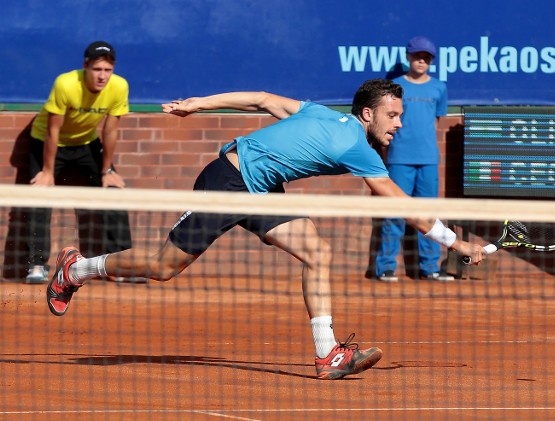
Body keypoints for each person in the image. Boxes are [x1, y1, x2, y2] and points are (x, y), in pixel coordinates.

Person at [45, 79, 485, 380]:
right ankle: (76, 269)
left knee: (317, 251)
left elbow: (260, 99)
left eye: (401, 116)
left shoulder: (320, 113)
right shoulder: (358, 147)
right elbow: (403, 205)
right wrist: (456, 241)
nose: (399, 124)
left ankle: (327, 353)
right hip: (229, 181)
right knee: (163, 268)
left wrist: (200, 103)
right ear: (368, 114)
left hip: (264, 189)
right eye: (393, 115)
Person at [25, 41, 133, 284]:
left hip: (86, 143)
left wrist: (107, 170)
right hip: (47, 141)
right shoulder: (65, 84)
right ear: (86, 66)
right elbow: (53, 131)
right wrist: (48, 172)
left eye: (107, 69)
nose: (102, 75)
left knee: (114, 191)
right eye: (97, 69)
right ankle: (36, 264)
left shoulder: (119, 87)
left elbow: (110, 131)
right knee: (39, 195)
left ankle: (123, 264)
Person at [376, 36, 451, 283]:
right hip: (399, 159)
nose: (422, 61)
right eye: (418, 56)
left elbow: (436, 121)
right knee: (395, 213)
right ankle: (385, 267)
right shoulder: (395, 86)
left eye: (427, 57)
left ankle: (430, 268)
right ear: (409, 57)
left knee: (428, 213)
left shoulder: (439, 87)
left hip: (428, 159)